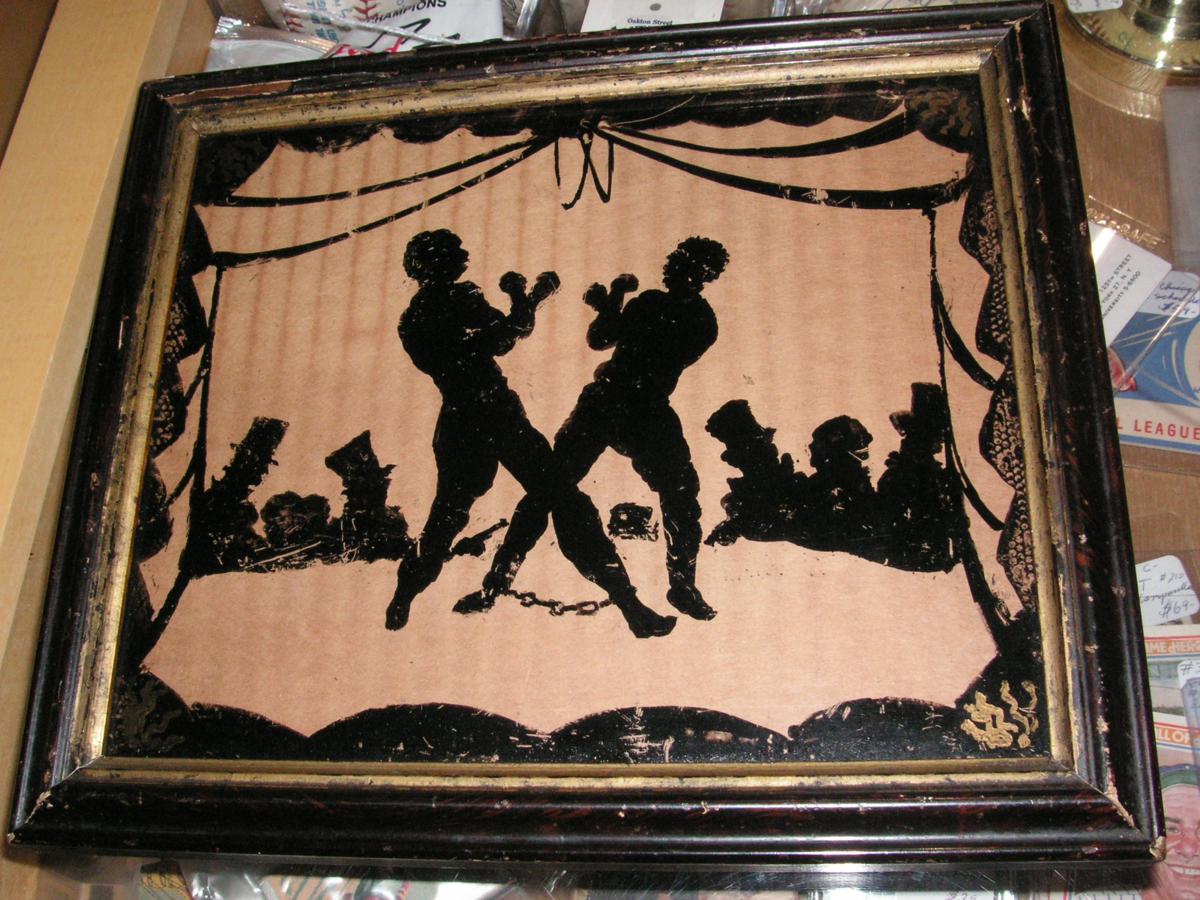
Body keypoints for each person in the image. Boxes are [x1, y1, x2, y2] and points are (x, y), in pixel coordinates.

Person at [385, 229, 675, 638]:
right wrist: (525, 298)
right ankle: (629, 605)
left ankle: (405, 595)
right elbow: (508, 335)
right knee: (564, 499)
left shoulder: (410, 319)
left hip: (458, 420)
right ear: (440, 263)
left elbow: (478, 346)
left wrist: (522, 302)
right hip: (498, 413)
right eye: (454, 254)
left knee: (448, 515)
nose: (463, 257)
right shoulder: (459, 297)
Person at [457, 236, 729, 622]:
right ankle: (682, 586)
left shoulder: (664, 308)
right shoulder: (695, 318)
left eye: (682, 264)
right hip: (634, 407)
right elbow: (614, 339)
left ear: (701, 275)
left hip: (616, 403)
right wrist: (612, 303)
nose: (672, 268)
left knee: (551, 489)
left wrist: (611, 302)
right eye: (676, 261)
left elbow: (603, 338)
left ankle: (498, 581)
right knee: (671, 493)